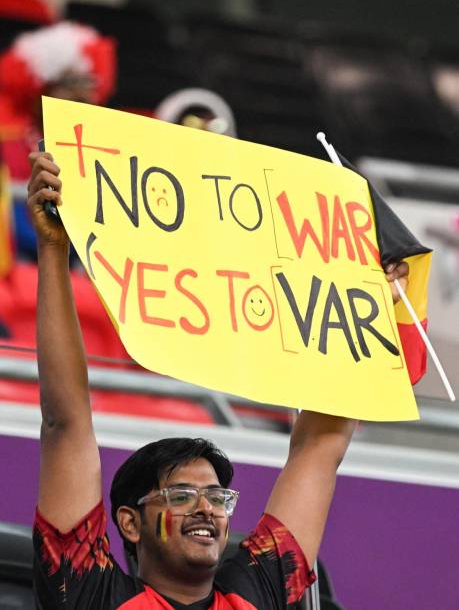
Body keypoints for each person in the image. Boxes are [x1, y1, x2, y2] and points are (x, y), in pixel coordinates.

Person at [27, 150, 409, 609]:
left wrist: (364, 312)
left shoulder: (254, 595)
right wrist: (52, 250)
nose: (207, 508)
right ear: (130, 524)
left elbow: (319, 450)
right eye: (182, 495)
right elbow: (65, 424)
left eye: (217, 497)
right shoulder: (91, 595)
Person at [0, 21, 116, 260]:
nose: (82, 95)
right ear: (40, 90)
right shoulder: (9, 143)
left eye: (89, 83)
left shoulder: (105, 147)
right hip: (27, 258)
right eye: (70, 84)